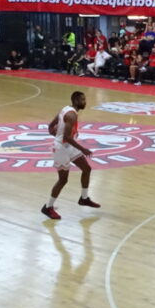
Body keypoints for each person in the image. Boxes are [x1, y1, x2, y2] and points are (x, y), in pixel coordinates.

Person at [42, 91, 100, 219]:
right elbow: (67, 137)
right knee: (63, 180)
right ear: (76, 101)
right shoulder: (71, 115)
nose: (85, 102)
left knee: (87, 168)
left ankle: (84, 198)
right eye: (83, 100)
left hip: (68, 146)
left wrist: (54, 134)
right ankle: (48, 207)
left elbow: (50, 126)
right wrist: (83, 149)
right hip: (61, 148)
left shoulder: (65, 109)